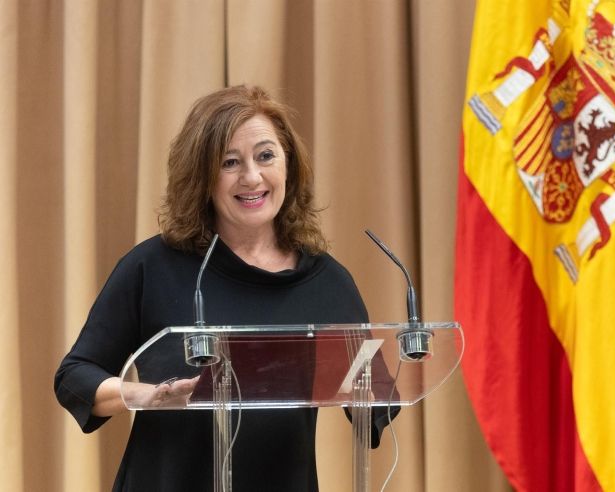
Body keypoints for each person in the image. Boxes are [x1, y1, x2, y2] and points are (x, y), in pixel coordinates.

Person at [54, 85, 396, 491]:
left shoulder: (327, 282)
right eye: (229, 162)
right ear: (203, 177)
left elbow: (376, 402)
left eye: (266, 156)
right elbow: (75, 376)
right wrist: (145, 395)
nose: (252, 177)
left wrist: (367, 392)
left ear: (289, 165)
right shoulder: (153, 266)